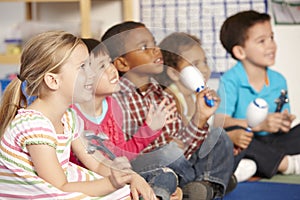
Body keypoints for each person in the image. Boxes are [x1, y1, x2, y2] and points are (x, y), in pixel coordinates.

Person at [0, 31, 157, 200]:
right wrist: (112, 183)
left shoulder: (68, 117)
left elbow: (96, 163)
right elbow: (59, 187)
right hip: (39, 192)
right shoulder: (34, 125)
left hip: (58, 184)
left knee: (127, 192)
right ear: (53, 81)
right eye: (83, 67)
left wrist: (130, 177)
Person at [101, 21, 235, 200]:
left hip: (176, 166)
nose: (156, 49)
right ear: (123, 63)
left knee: (218, 137)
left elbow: (183, 148)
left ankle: (202, 187)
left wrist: (200, 118)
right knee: (168, 152)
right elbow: (123, 155)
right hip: (145, 169)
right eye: (144, 47)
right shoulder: (116, 99)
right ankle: (209, 184)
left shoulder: (162, 94)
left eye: (154, 43)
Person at [69, 38, 182, 200]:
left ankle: (162, 193)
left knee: (167, 167)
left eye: (109, 62)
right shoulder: (72, 114)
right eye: (101, 66)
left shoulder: (113, 105)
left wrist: (149, 129)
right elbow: (90, 167)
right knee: (166, 166)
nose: (112, 70)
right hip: (98, 180)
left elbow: (121, 154)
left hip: (119, 171)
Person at [156, 32, 257, 183]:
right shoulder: (171, 97)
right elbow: (184, 143)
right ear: (174, 73)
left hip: (194, 156)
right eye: (195, 65)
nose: (204, 69)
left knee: (232, 142)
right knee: (221, 137)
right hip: (180, 162)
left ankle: (215, 179)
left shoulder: (194, 95)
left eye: (205, 62)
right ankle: (216, 180)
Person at [214, 10, 300, 179]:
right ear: (240, 52)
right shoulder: (231, 80)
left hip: (273, 141)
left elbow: (283, 116)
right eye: (262, 41)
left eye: (272, 38)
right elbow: (219, 121)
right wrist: (258, 125)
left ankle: (257, 163)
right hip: (248, 141)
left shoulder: (278, 80)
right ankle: (285, 164)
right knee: (229, 134)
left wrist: (283, 122)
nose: (271, 45)